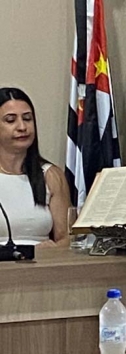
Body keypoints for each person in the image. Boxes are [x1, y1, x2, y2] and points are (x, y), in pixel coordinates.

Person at [0, 88, 70, 247]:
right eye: (10, 120)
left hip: (42, 260)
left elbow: (67, 238)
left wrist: (53, 249)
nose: (22, 127)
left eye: (27, 118)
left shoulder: (50, 175)